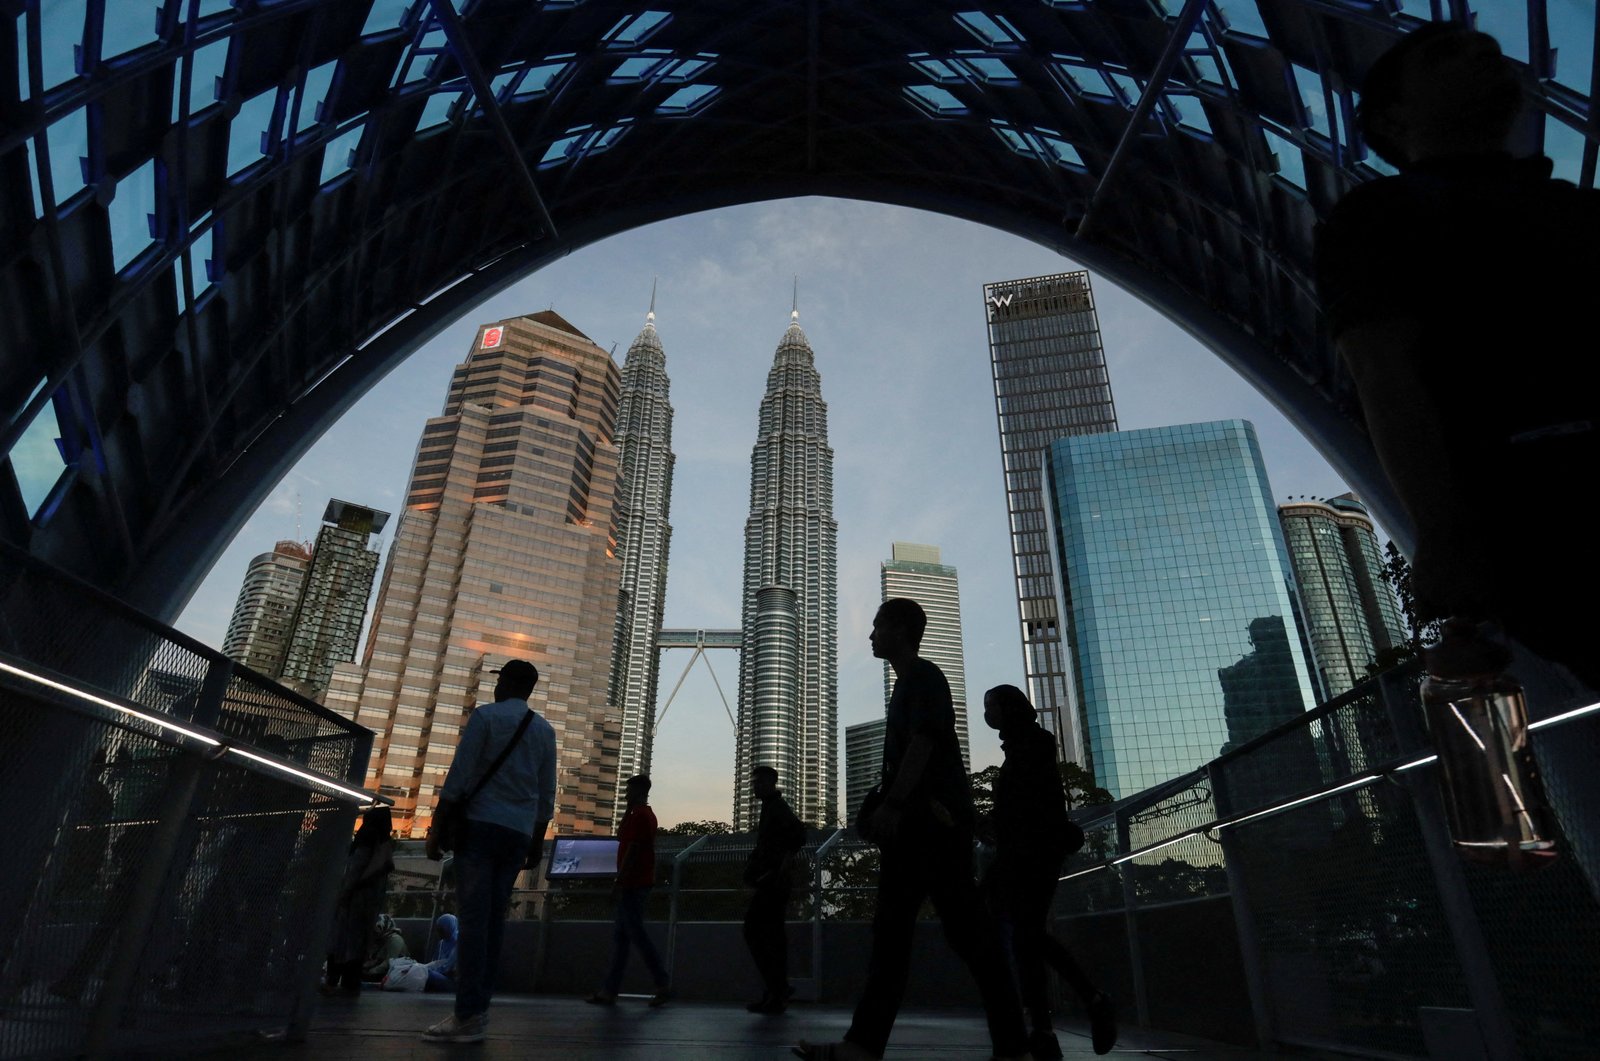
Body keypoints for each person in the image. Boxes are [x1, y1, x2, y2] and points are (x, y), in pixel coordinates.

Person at [1314, 22, 1600, 690]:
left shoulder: (1576, 209)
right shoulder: (1378, 217)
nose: (1484, 55)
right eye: (1448, 54)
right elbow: (1383, 371)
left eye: (1491, 52)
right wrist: (1443, 532)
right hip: (1545, 517)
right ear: (1393, 116)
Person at [796, 599, 1031, 1061]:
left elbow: (925, 743)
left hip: (926, 832)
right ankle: (1010, 1044)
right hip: (930, 831)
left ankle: (866, 1045)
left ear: (900, 629)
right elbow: (941, 756)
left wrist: (895, 804)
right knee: (942, 936)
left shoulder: (922, 679)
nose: (870, 635)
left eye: (877, 626)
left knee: (916, 937)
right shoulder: (912, 684)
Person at [421, 660, 555, 1044]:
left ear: (508, 683)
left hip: (479, 827)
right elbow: (546, 794)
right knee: (493, 923)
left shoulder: (485, 718)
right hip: (516, 834)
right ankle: (478, 1011)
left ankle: (467, 1015)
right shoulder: (544, 731)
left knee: (474, 922)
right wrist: (534, 842)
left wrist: (436, 829)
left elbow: (458, 777)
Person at [981, 685, 1116, 1058]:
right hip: (1026, 854)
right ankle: (1050, 1024)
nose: (986, 714)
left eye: (990, 706)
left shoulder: (1032, 746)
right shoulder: (1027, 745)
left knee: (1027, 936)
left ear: (1008, 709)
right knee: (1028, 938)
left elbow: (1028, 805)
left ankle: (1074, 1009)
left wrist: (998, 826)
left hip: (1031, 856)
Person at [586, 774, 672, 1006]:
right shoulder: (638, 815)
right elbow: (624, 836)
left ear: (640, 792)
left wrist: (619, 882)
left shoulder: (642, 816)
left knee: (636, 935)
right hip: (635, 883)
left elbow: (632, 850)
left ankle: (662, 982)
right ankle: (610, 990)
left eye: (630, 791)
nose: (626, 795)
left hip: (634, 884)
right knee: (623, 938)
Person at [743, 765, 807, 1014]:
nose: (755, 786)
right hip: (771, 881)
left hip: (773, 884)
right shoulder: (770, 807)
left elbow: (798, 835)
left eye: (759, 782)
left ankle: (777, 990)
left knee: (757, 932)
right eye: (754, 782)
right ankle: (776, 991)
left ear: (771, 782)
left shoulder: (777, 808)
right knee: (769, 936)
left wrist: (781, 866)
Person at [324, 804, 395, 995]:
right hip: (370, 901)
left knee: (340, 939)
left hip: (354, 898)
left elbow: (355, 868)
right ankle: (351, 983)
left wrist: (344, 892)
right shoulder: (384, 843)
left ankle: (332, 979)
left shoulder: (365, 837)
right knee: (358, 943)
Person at [362, 913, 409, 982]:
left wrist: (370, 972)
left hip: (396, 973)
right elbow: (375, 960)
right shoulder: (380, 940)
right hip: (383, 972)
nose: (374, 934)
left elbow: (389, 962)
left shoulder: (395, 940)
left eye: (376, 931)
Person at [425, 912, 459, 992]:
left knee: (428, 974)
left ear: (449, 927)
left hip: (453, 979)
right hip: (442, 974)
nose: (439, 932)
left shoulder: (459, 942)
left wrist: (425, 970)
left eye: (442, 929)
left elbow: (448, 967)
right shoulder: (441, 943)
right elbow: (435, 961)